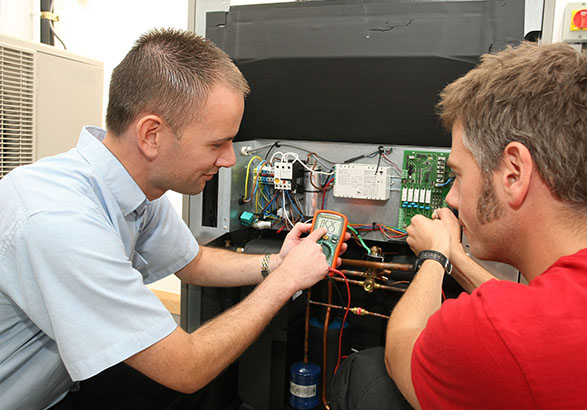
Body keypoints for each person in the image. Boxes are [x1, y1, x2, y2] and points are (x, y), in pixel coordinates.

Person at [0, 28, 344, 410]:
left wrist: (276, 263)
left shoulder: (135, 186)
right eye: (216, 143)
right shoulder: (59, 223)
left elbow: (192, 262)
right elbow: (186, 367)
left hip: (67, 380)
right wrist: (286, 280)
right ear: (151, 135)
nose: (230, 159)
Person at [330, 41, 587, 409]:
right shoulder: (555, 309)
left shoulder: (500, 334)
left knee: (365, 373)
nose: (451, 197)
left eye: (458, 175)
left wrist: (434, 256)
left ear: (514, 173)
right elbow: (523, 311)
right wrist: (456, 256)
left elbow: (401, 347)